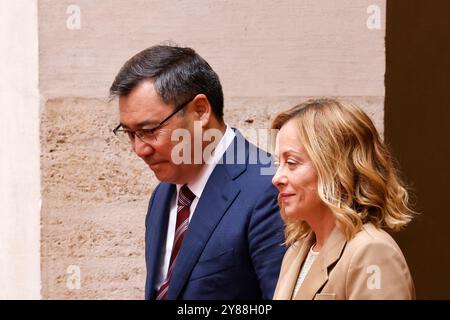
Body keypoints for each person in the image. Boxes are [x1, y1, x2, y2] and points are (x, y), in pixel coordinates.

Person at [109, 44, 286, 300]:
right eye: (129, 134)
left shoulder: (270, 187)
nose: (139, 149)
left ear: (200, 111)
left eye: (149, 131)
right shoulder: (163, 195)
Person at [271, 98, 415, 300]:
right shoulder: (295, 252)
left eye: (292, 162)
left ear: (336, 168)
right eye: (279, 163)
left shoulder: (372, 251)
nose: (276, 178)